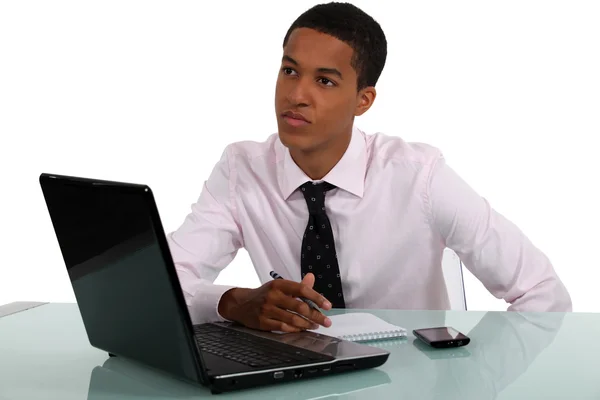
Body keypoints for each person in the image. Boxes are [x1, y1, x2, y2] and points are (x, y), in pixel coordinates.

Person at [166, 2, 571, 332]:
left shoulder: (420, 177)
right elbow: (163, 283)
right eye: (289, 70)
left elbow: (542, 293)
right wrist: (231, 301)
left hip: (410, 383)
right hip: (294, 380)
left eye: (324, 81)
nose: (297, 95)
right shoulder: (242, 170)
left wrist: (472, 381)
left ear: (364, 100)